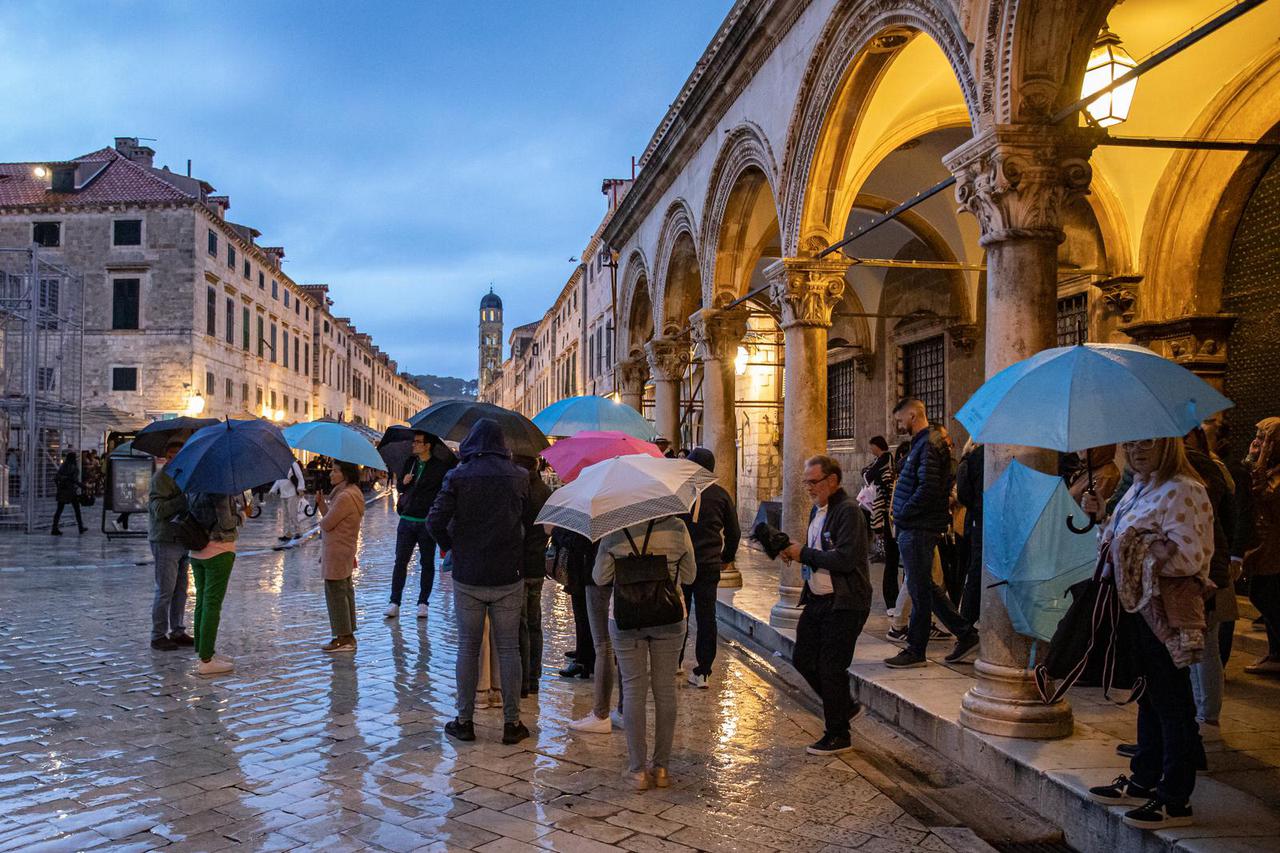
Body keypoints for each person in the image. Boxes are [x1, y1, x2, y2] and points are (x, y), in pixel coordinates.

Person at [1085, 437, 1213, 829]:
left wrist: (1134, 546)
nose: (1137, 451)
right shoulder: (1140, 486)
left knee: (1173, 701)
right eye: (1131, 444)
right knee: (1149, 696)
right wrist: (1103, 517)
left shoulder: (1185, 490)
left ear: (1168, 446)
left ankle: (1175, 797)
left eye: (1148, 444)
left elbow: (1191, 556)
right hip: (1136, 606)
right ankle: (1144, 778)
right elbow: (1114, 540)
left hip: (1165, 609)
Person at [428, 418, 532, 745]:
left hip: (469, 575)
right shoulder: (519, 477)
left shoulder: (457, 477)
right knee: (509, 650)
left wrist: (453, 545)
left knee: (468, 648)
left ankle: (465, 720)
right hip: (507, 575)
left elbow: (434, 521)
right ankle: (512, 724)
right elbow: (531, 525)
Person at [594, 514, 696, 790]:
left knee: (633, 690)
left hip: (627, 619)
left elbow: (600, 577)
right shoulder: (677, 527)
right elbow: (689, 575)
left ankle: (637, 771)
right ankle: (661, 769)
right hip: (670, 616)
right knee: (665, 690)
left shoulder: (613, 529)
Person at [780, 454, 873, 755]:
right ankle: (843, 706)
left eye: (813, 482)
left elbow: (846, 559)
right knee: (804, 659)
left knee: (831, 667)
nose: (808, 487)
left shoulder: (849, 512)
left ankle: (838, 734)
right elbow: (818, 550)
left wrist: (803, 553)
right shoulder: (817, 511)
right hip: (818, 599)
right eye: (806, 482)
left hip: (845, 602)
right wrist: (795, 552)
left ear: (832, 481)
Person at [883, 399, 977, 668]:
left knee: (919, 588)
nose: (899, 425)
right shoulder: (922, 443)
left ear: (913, 415)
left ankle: (916, 649)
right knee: (924, 585)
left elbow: (928, 488)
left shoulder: (929, 444)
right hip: (914, 524)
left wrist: (903, 513)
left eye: (900, 420)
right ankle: (966, 633)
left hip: (917, 525)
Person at [678, 448, 739, 688]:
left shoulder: (680, 494)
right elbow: (734, 532)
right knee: (706, 617)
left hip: (683, 564)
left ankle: (676, 660)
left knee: (679, 613)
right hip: (709, 563)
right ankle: (703, 671)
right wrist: (726, 556)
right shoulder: (721, 495)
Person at [388, 432, 455, 619]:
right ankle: (394, 601)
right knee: (400, 561)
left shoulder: (440, 468)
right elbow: (401, 488)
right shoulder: (410, 463)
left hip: (426, 522)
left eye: (418, 442)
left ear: (428, 446)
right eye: (414, 441)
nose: (413, 445)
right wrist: (404, 482)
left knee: (427, 563)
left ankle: (423, 602)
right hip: (407, 520)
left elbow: (442, 494)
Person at [188, 491, 244, 677]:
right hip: (218, 551)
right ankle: (206, 660)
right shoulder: (219, 490)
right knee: (212, 604)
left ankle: (204, 650)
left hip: (197, 551)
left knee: (202, 602)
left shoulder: (194, 489)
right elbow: (226, 522)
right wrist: (242, 515)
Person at [1242, 417, 1280, 676]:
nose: (1257, 441)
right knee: (1263, 595)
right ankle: (1276, 653)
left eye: (1265, 438)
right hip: (1261, 547)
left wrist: (1261, 457)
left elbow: (1264, 494)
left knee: (1267, 596)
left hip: (1273, 550)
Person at [147, 440, 193, 651]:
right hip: (165, 538)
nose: (176, 458)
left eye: (180, 454)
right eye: (172, 455)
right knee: (165, 589)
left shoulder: (185, 476)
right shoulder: (161, 478)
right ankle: (158, 634)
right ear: (167, 457)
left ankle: (177, 630)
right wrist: (182, 500)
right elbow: (159, 509)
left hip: (183, 538)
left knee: (181, 589)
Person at [317, 461, 365, 653]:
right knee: (345, 592)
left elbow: (328, 524)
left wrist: (322, 518)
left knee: (336, 593)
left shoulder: (345, 496)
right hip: (344, 548)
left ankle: (343, 637)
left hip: (337, 549)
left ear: (345, 474)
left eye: (335, 471)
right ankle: (348, 635)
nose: (331, 474)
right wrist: (321, 504)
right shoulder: (353, 492)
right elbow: (333, 519)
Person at [517, 458, 551, 696]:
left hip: (518, 564)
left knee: (521, 625)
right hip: (537, 564)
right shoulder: (546, 491)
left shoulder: (518, 489)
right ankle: (534, 676)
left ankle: (523, 679)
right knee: (534, 623)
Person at [555, 527, 597, 679]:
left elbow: (577, 541)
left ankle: (584, 660)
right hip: (586, 574)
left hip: (583, 574)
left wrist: (555, 531)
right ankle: (584, 652)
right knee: (584, 618)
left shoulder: (587, 520)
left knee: (583, 618)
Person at [862, 436, 897, 614]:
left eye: (872, 447)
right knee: (892, 561)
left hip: (887, 515)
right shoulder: (880, 461)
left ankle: (894, 602)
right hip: (885, 514)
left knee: (892, 561)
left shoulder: (886, 462)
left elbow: (869, 475)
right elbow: (867, 473)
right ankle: (893, 601)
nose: (871, 450)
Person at [954, 441, 984, 623]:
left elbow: (964, 495)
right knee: (977, 568)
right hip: (983, 518)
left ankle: (967, 618)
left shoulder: (971, 458)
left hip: (976, 518)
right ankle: (967, 618)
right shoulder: (978, 458)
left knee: (974, 568)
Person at [269, 454, 306, 543]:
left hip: (292, 493)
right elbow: (279, 480)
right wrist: (273, 490)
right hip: (283, 494)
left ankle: (298, 531)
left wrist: (300, 488)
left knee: (292, 514)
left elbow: (300, 476)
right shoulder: (281, 466)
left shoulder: (293, 464)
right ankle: (287, 533)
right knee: (285, 515)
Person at [50, 451, 86, 535]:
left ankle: (54, 527)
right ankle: (80, 527)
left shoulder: (63, 466)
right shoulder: (74, 468)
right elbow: (74, 480)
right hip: (71, 492)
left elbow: (57, 477)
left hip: (62, 491)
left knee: (59, 510)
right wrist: (82, 486)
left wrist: (59, 486)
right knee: (77, 510)